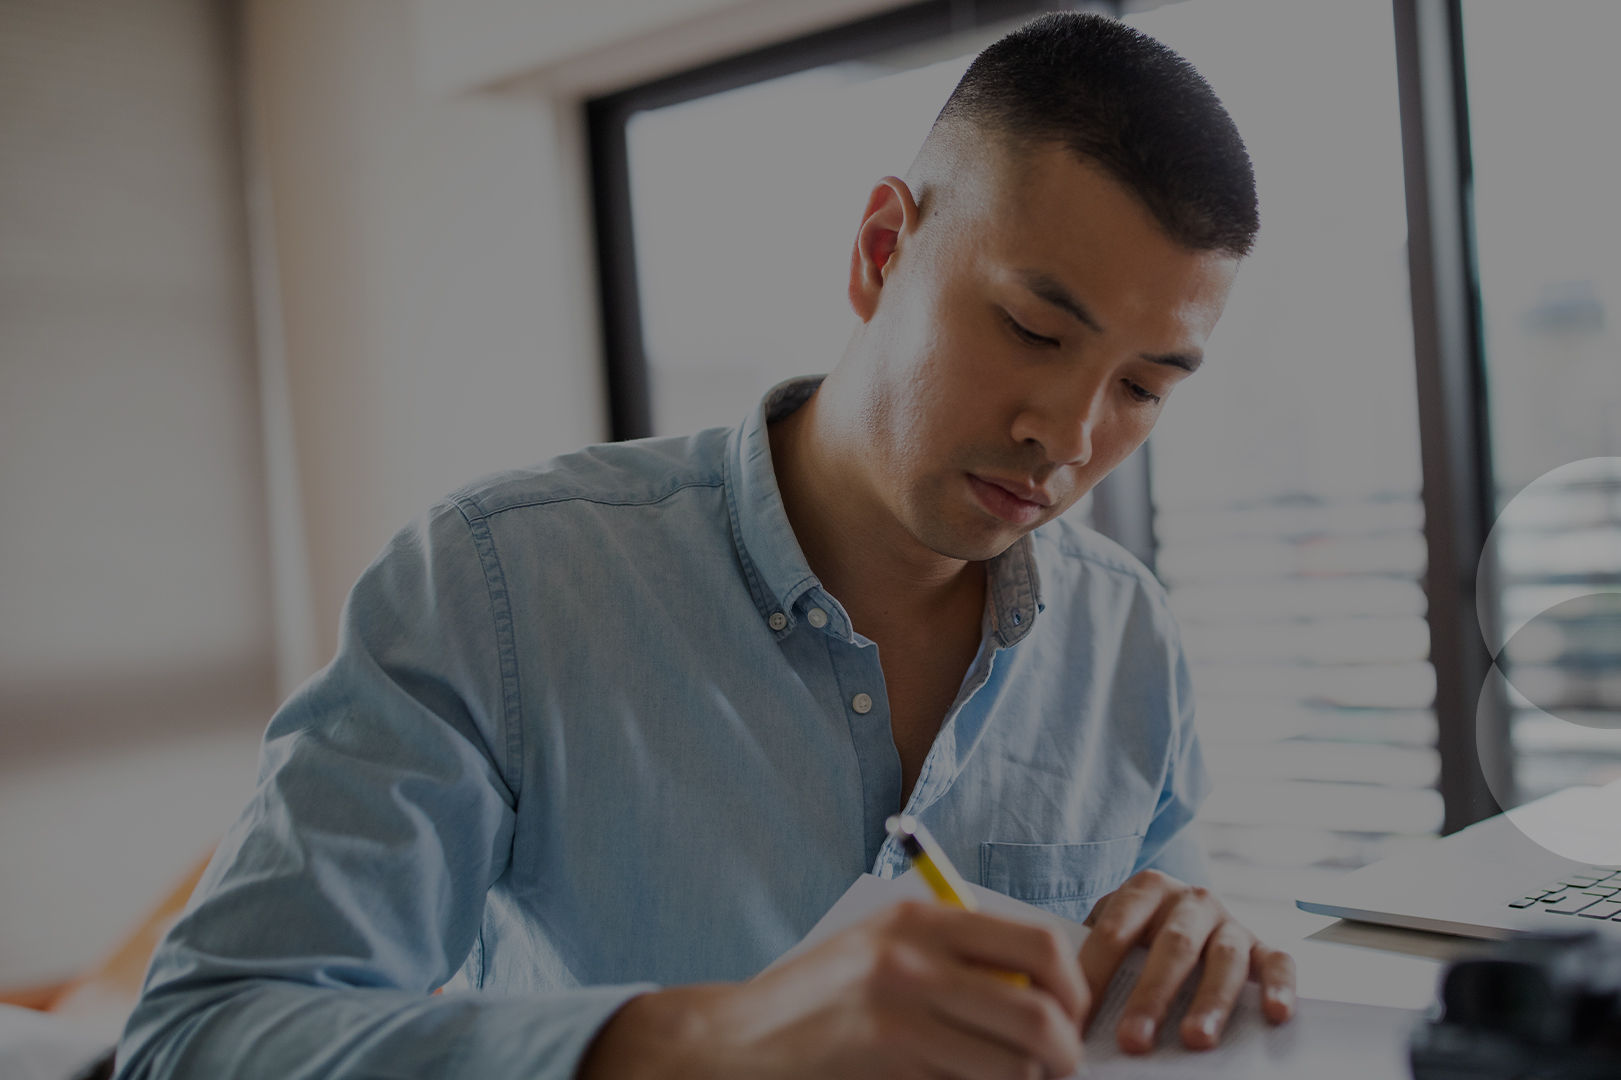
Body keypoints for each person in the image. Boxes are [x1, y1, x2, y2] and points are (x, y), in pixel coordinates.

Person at [117, 13, 1292, 1080]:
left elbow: (1151, 988)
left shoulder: (1128, 636)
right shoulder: (499, 586)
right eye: (1034, 330)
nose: (1069, 438)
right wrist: (701, 1042)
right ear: (882, 249)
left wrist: (1200, 950)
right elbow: (194, 1039)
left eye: (1144, 388)